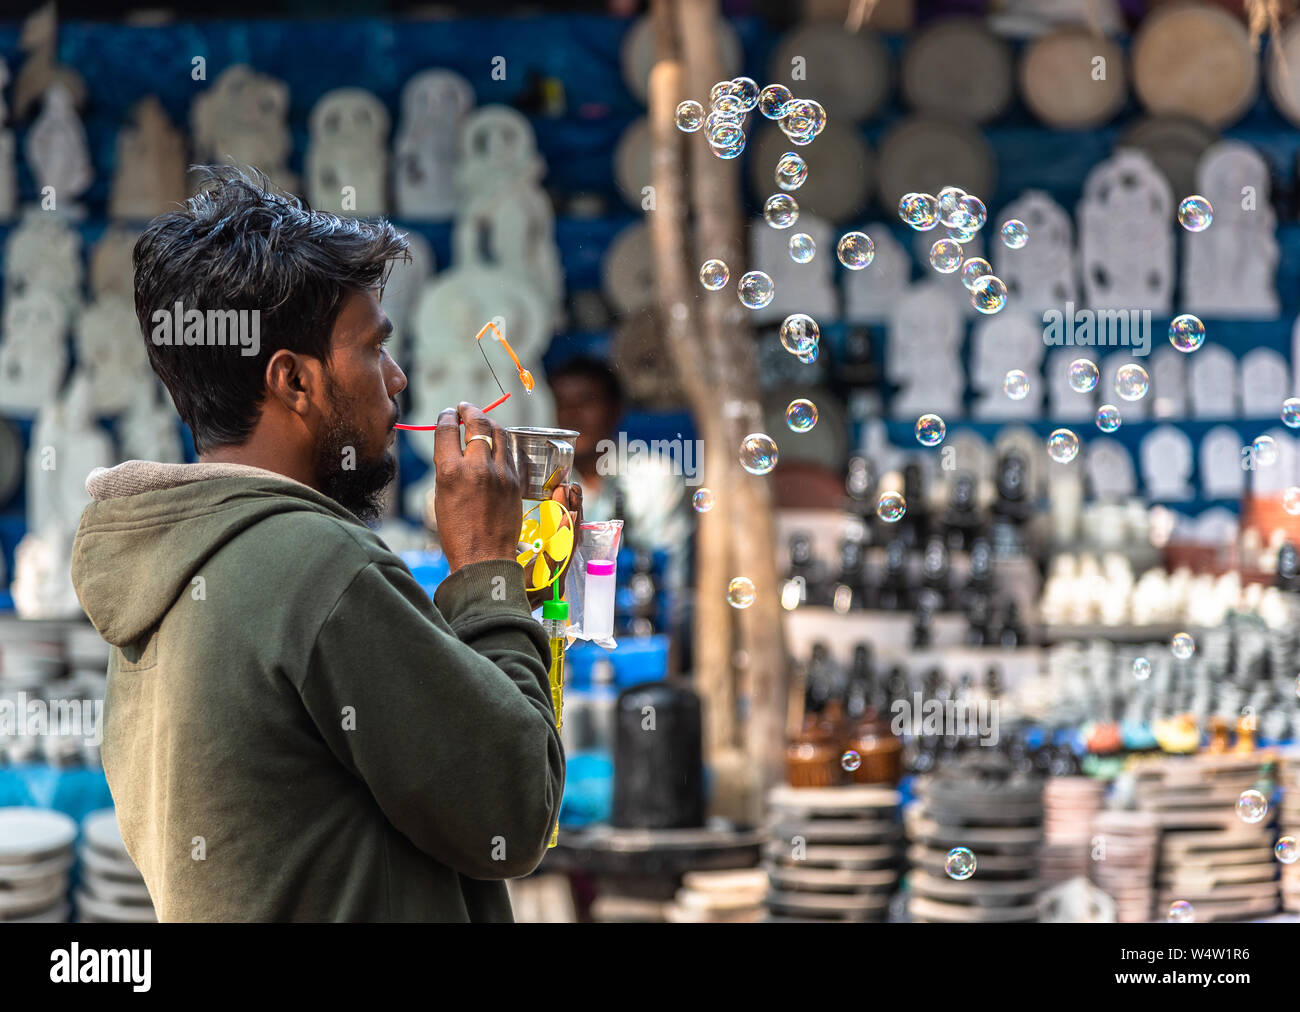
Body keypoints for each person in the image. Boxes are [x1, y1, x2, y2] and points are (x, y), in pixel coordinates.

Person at [69, 165, 579, 922]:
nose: (398, 379)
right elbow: (512, 813)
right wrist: (484, 566)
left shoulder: (172, 559)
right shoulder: (316, 568)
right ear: (295, 383)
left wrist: (519, 593)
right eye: (374, 349)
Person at [549, 356, 690, 595]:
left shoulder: (657, 476)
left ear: (616, 410)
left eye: (586, 401)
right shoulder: (543, 482)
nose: (572, 415)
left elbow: (668, 578)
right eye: (562, 403)